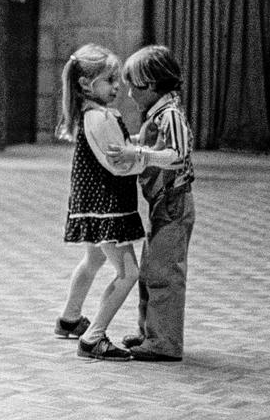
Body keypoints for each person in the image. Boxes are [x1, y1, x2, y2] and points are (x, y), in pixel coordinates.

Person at [53, 43, 144, 361]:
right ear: (86, 84)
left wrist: (137, 145)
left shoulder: (93, 115)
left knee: (93, 261)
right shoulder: (99, 118)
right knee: (129, 272)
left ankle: (70, 318)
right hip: (106, 207)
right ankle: (93, 338)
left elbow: (118, 149)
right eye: (110, 80)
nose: (117, 86)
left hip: (93, 205)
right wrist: (150, 158)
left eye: (117, 80)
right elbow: (117, 163)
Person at [106, 44, 196, 363]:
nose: (129, 93)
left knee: (164, 273)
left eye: (135, 86)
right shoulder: (156, 113)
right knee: (150, 269)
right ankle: (150, 332)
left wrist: (139, 154)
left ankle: (165, 341)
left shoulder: (171, 115)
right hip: (160, 203)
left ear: (153, 86)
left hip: (173, 203)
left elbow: (177, 154)